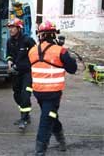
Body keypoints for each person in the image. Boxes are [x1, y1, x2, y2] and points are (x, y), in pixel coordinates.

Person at [28, 21, 77, 156]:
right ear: (54, 34)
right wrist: (63, 50)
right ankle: (40, 151)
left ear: (40, 35)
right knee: (47, 119)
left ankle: (61, 140)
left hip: (38, 93)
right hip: (53, 93)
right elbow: (72, 69)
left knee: (49, 115)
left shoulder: (32, 51)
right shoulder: (60, 51)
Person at [6, 18, 36, 130]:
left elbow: (36, 55)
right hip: (16, 73)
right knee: (16, 95)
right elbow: (9, 54)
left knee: (25, 94)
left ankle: (23, 119)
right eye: (10, 28)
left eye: (13, 27)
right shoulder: (9, 41)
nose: (11, 30)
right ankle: (26, 114)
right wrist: (9, 61)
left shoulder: (28, 41)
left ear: (19, 28)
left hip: (27, 73)